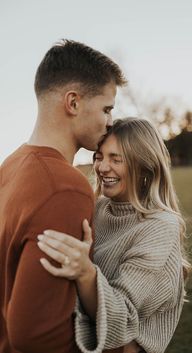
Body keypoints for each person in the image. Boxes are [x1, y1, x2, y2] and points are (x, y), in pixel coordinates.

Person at [0, 39, 126, 353]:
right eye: (106, 108)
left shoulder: (12, 164)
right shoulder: (65, 188)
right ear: (73, 103)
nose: (110, 121)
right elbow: (37, 337)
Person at [37, 118, 192, 353]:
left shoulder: (159, 226)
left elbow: (119, 318)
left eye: (116, 159)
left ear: (144, 165)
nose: (102, 167)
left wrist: (85, 273)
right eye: (99, 157)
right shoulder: (97, 207)